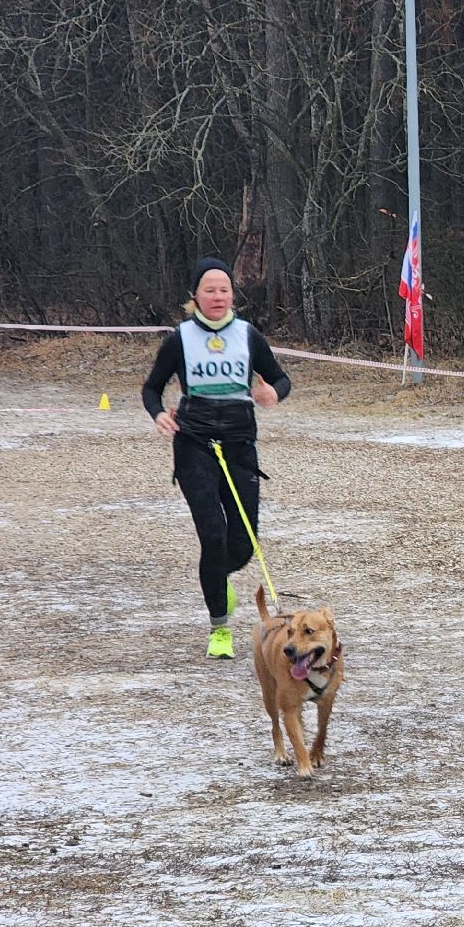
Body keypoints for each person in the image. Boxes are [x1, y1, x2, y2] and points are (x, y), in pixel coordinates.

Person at [142, 258, 292, 658]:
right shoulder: (180, 338)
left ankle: (216, 578)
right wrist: (158, 413)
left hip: (240, 443)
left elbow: (280, 377)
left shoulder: (247, 334)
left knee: (242, 544)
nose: (217, 296)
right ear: (195, 296)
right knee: (212, 535)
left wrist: (272, 393)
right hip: (194, 444)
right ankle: (219, 629)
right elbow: (152, 388)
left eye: (224, 289)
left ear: (232, 295)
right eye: (209, 289)